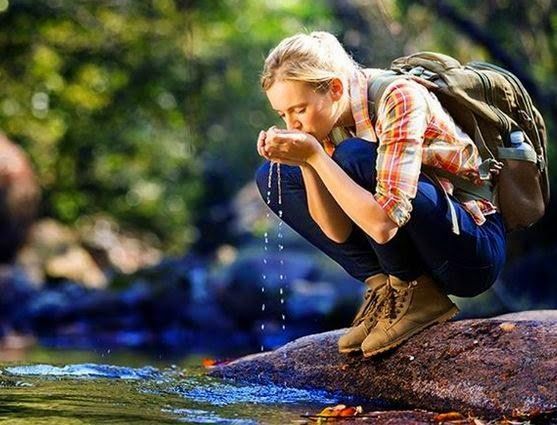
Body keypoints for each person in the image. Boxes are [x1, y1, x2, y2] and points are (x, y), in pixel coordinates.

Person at [254, 31, 506, 358]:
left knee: (352, 157)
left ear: (335, 88)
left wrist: (317, 157)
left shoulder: (398, 97)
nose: (292, 124)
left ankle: (414, 289)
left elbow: (383, 225)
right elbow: (337, 231)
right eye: (283, 115)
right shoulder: (331, 122)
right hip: (420, 238)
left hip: (471, 250)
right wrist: (305, 162)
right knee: (273, 176)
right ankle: (385, 290)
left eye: (298, 109)